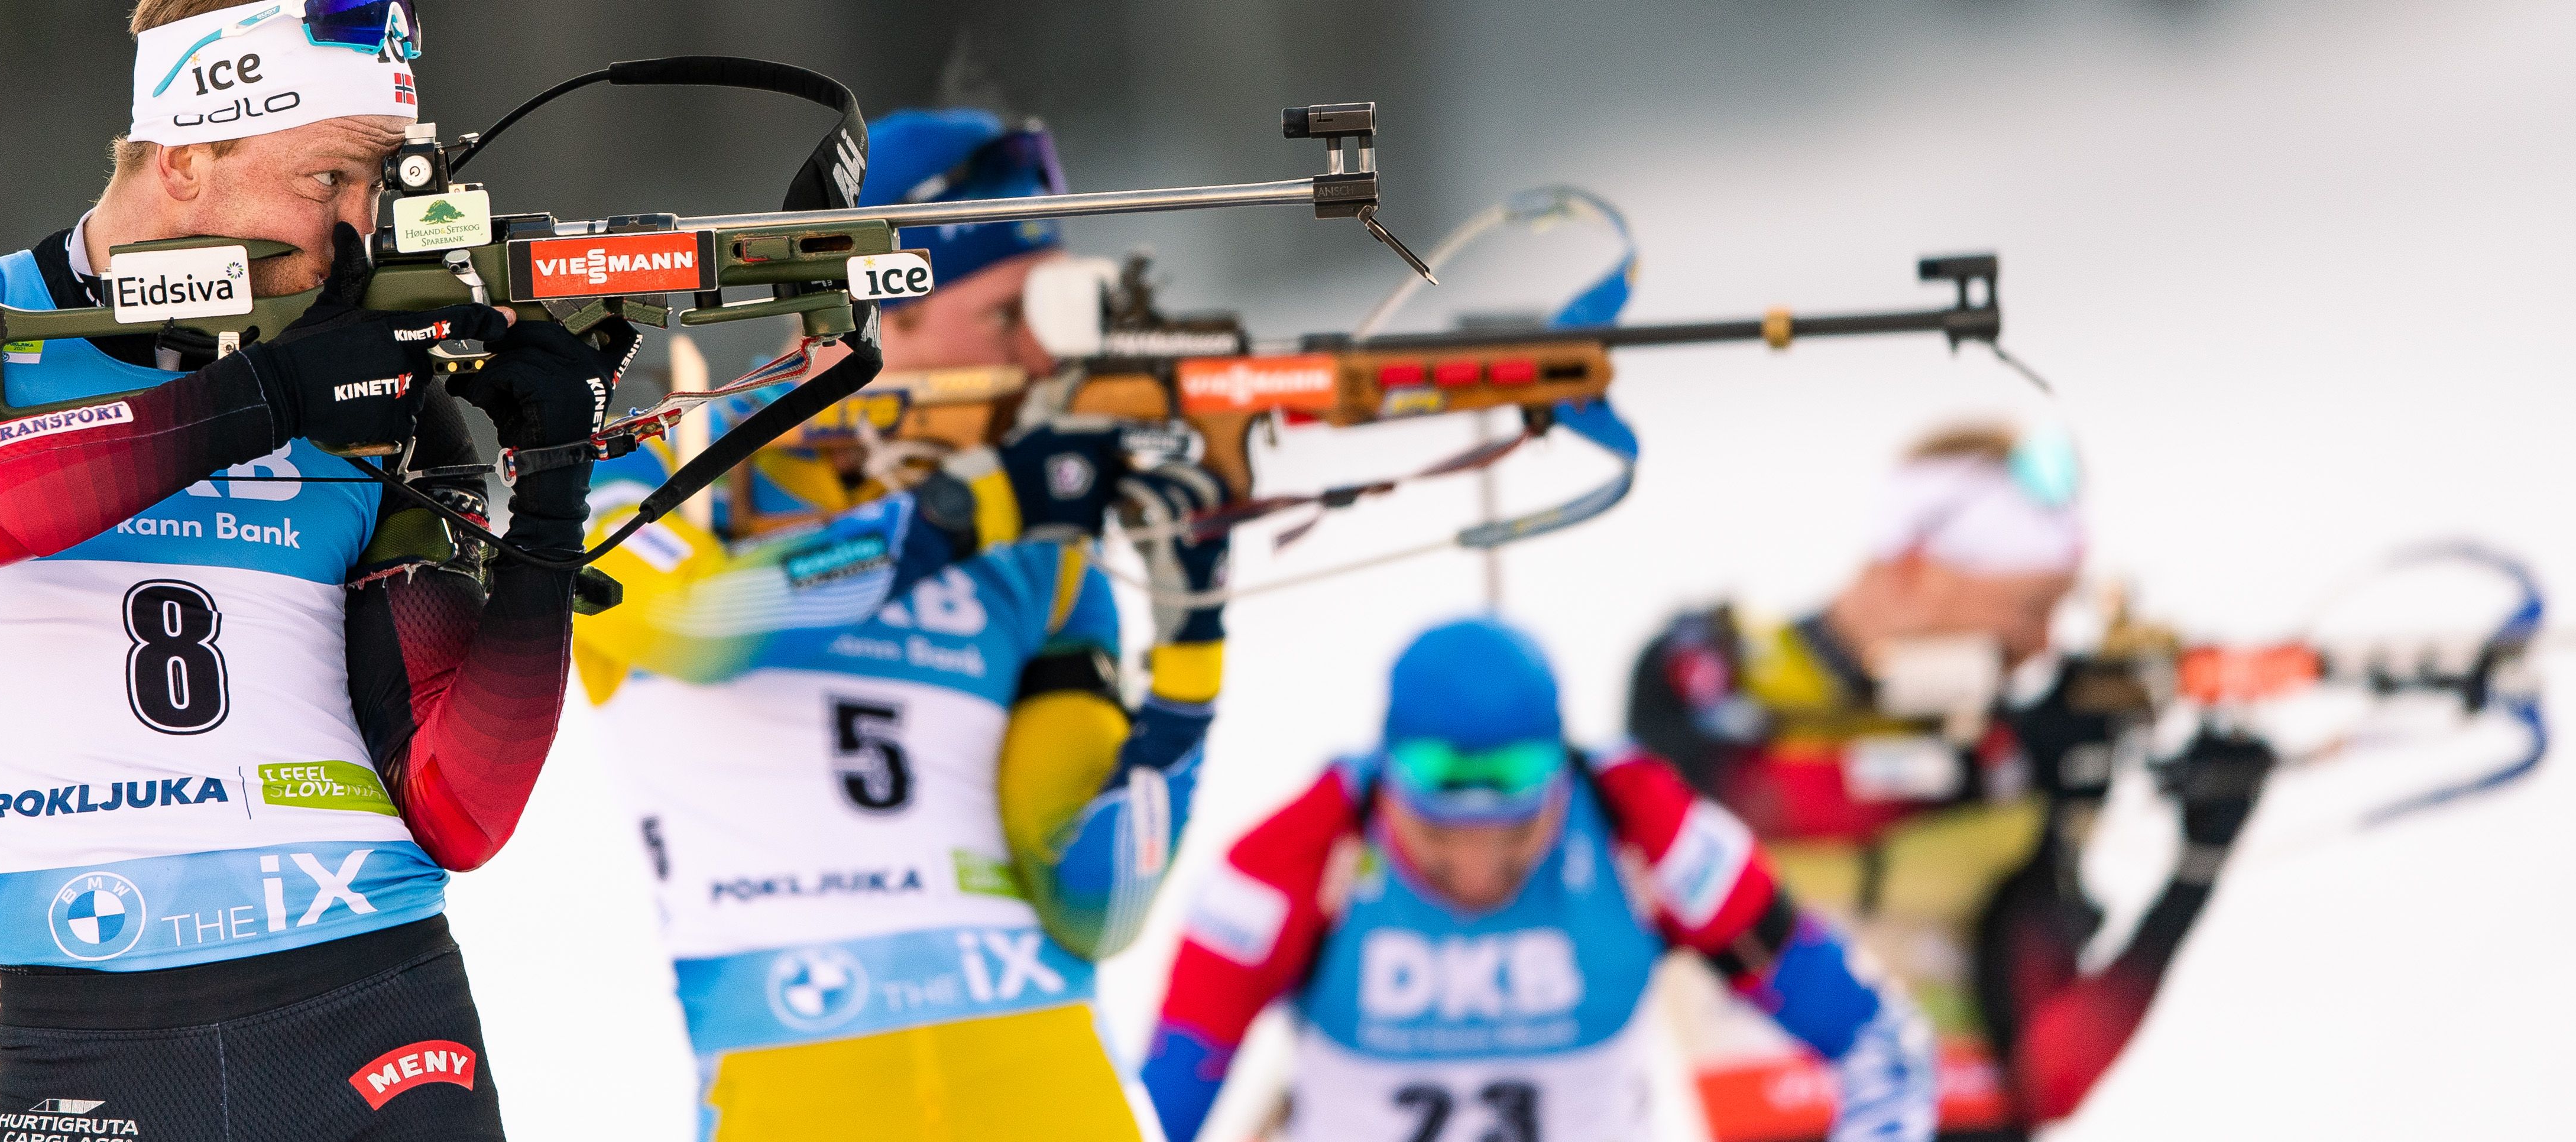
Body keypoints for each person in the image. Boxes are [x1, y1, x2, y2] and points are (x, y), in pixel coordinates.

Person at [0, 0, 630, 1141]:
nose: (360, 228)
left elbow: (463, 809)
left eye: (380, 178)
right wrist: (277, 395)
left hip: (380, 1010)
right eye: (328, 179)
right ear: (185, 159)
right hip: (89, 1039)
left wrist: (554, 482)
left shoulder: (382, 386)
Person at [576, 108, 1238, 1140]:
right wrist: (960, 514)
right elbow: (697, 625)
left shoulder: (1042, 560)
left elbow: (1097, 906)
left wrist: (1192, 648)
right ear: (889, 304)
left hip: (1051, 1087)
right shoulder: (663, 465)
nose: (1045, 353)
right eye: (1013, 311)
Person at [1625, 423, 2276, 1138]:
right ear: (1914, 568)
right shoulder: (1720, 676)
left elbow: (2050, 1079)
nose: (2043, 645)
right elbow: (1735, 800)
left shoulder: (2007, 755)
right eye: (2029, 607)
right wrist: (1990, 772)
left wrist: (2193, 871)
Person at [1143, 615, 1935, 1142]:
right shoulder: (1292, 861)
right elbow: (1154, 1111)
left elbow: (1878, 1044)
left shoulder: (1642, 824)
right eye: (1442, 824)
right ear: (1386, 772)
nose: (1480, 862)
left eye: (1518, 825)